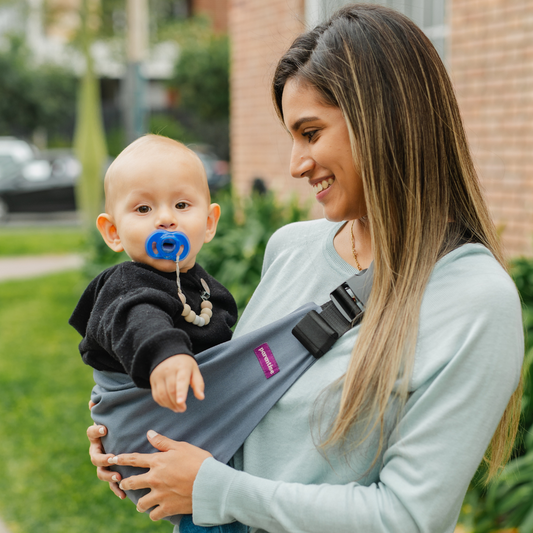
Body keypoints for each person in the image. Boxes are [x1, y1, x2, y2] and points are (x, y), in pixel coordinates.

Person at [87, 5, 524, 533]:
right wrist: (137, 433)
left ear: (381, 120)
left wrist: (213, 488)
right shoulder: (291, 247)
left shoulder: (476, 300)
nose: (296, 163)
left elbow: (407, 518)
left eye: (311, 133)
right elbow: (248, 413)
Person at [70, 134, 246, 533]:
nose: (165, 219)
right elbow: (137, 318)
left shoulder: (204, 288)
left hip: (198, 441)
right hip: (165, 441)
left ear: (210, 221)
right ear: (113, 231)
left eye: (182, 205)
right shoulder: (125, 284)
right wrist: (168, 354)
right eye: (143, 207)